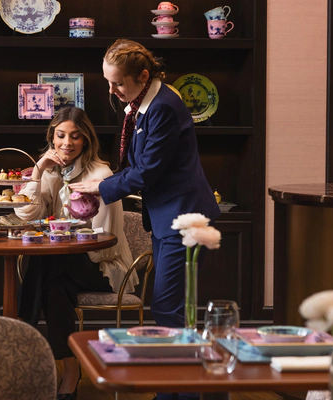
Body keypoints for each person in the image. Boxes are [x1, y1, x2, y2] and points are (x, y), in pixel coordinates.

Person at [68, 39, 220, 400]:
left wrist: (101, 186)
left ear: (143, 75)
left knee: (170, 308)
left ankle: (181, 393)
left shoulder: (163, 107)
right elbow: (138, 166)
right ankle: (176, 392)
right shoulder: (143, 104)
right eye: (109, 82)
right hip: (169, 217)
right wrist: (105, 183)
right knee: (173, 308)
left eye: (118, 83)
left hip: (184, 219)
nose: (112, 90)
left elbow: (147, 171)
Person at [14, 107, 136, 400]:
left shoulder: (101, 175)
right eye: (60, 135)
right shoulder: (51, 170)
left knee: (47, 261)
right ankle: (70, 368)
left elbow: (105, 240)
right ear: (52, 137)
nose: (66, 143)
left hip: (101, 267)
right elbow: (25, 214)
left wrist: (64, 234)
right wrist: (39, 169)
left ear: (86, 140)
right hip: (61, 269)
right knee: (53, 289)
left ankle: (21, 339)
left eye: (75, 136)